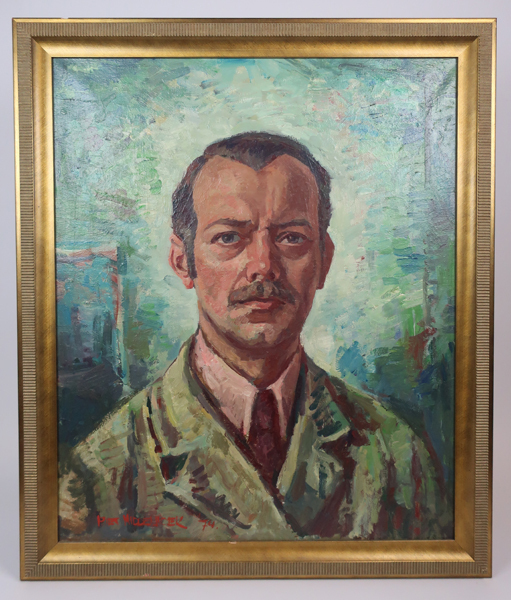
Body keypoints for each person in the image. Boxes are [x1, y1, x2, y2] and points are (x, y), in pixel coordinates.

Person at [60, 132, 447, 541]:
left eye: (291, 237)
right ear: (182, 261)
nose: (263, 265)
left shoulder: (395, 454)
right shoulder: (99, 473)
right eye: (229, 237)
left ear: (324, 260)